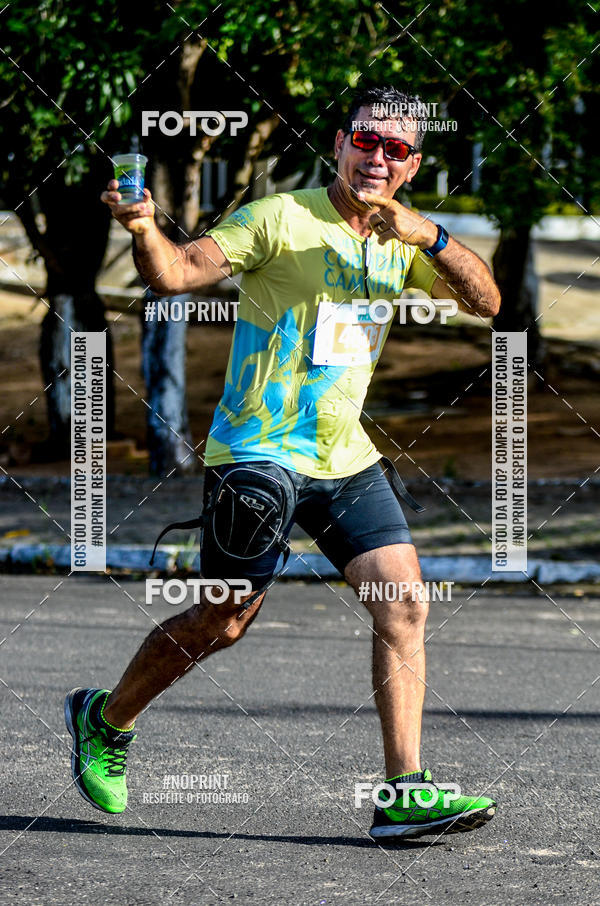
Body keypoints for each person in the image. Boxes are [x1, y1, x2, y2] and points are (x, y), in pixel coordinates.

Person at [65, 85, 500, 839]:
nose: (377, 157)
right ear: (339, 144)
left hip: (345, 457)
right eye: (365, 140)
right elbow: (176, 274)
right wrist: (142, 227)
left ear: (412, 165)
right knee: (224, 619)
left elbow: (486, 302)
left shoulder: (405, 240)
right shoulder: (278, 216)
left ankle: (404, 792)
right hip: (256, 455)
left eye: (396, 148)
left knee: (404, 602)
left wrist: (429, 236)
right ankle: (106, 718)